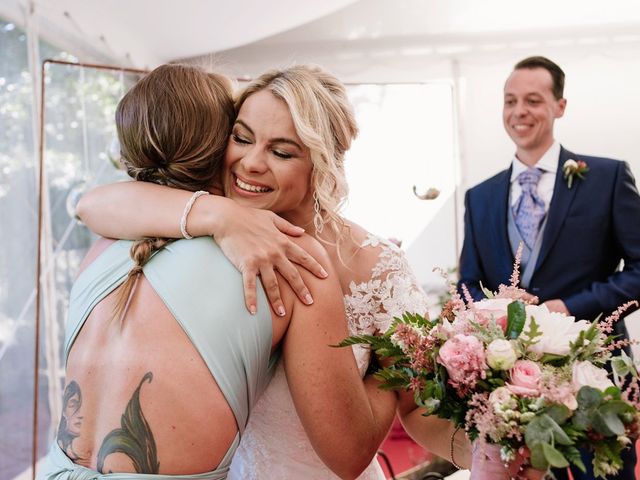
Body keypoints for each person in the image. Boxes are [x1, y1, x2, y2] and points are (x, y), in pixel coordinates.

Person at [77, 64, 495, 478]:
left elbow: (417, 407)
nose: (251, 163)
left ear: (322, 163)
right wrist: (220, 216)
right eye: (241, 138)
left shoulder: (376, 267)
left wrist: (497, 444)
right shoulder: (205, 233)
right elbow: (93, 204)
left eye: (281, 152)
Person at [458, 55, 640, 480]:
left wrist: (567, 308)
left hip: (594, 374)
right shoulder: (479, 197)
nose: (519, 111)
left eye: (533, 100)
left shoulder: (608, 177)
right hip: (508, 387)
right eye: (510, 101)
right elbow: (468, 282)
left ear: (560, 105)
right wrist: (494, 315)